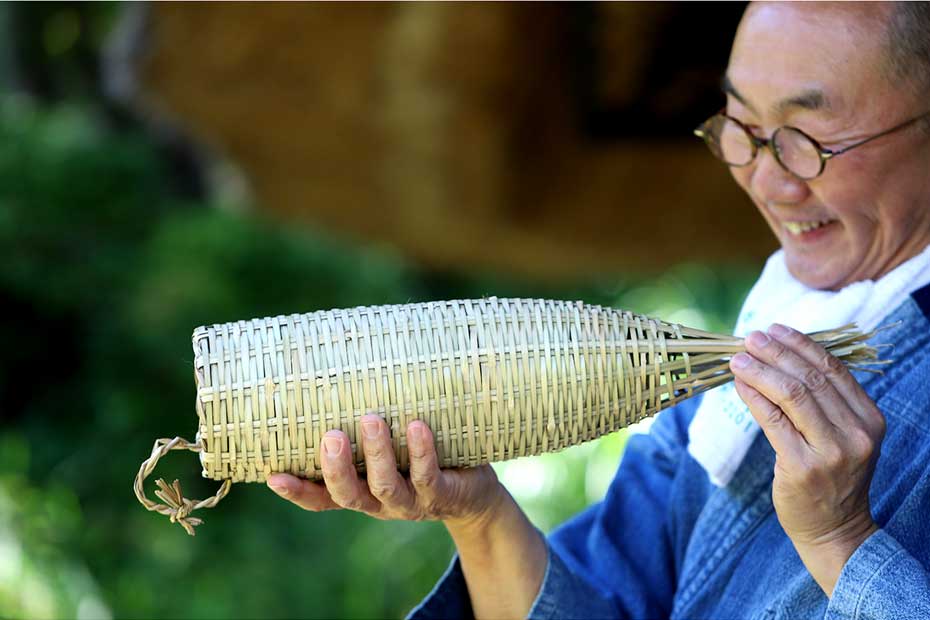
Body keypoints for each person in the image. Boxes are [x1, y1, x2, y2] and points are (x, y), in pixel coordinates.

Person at [266, 2, 930, 618]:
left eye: (808, 139)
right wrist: (477, 513)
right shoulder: (755, 350)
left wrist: (841, 542)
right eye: (744, 129)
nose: (767, 181)